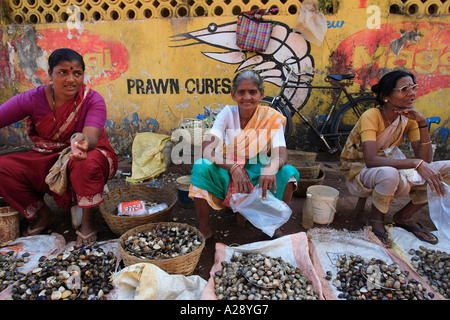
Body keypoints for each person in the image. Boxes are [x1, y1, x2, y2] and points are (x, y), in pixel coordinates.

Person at [0, 48, 118, 247]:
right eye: (63, 72)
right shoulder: (32, 99)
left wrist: (82, 142)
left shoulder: (92, 99)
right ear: (50, 75)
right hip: (46, 157)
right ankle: (42, 215)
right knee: (3, 167)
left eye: (77, 73)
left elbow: (92, 136)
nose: (71, 79)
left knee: (85, 162)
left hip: (84, 154)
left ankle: (87, 222)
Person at [340, 70, 449, 246]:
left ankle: (404, 216)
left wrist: (422, 124)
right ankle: (376, 219)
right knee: (389, 174)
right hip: (359, 171)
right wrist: (414, 163)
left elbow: (425, 161)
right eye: (404, 89)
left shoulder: (410, 118)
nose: (412, 93)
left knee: (447, 170)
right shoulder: (372, 116)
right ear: (386, 96)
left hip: (389, 168)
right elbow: (371, 160)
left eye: (413, 87)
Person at [188, 70, 299, 239]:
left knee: (288, 173)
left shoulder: (272, 118)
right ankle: (204, 229)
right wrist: (232, 167)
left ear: (261, 94)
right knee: (201, 167)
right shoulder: (227, 113)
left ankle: (274, 225)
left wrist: (271, 166)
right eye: (241, 92)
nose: (247, 97)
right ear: (233, 95)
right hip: (228, 171)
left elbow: (281, 153)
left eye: (253, 92)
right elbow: (207, 149)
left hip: (258, 173)